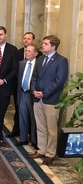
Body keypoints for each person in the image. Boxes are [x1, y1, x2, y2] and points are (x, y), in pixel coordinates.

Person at [30, 35, 68, 166]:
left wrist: (44, 93)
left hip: (51, 99)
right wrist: (34, 90)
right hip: (37, 98)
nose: (43, 45)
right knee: (40, 126)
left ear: (53, 46)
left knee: (51, 129)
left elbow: (59, 81)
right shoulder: (40, 59)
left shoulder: (61, 61)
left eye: (46, 44)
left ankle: (50, 154)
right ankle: (41, 149)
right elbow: (34, 76)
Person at [8, 32, 43, 139]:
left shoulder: (40, 57)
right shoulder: (17, 53)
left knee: (33, 116)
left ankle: (33, 138)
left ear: (33, 40)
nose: (26, 40)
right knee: (19, 112)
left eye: (28, 39)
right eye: (24, 38)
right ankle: (19, 133)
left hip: (33, 91)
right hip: (20, 89)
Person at [16, 44, 39, 147]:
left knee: (34, 119)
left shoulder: (38, 65)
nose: (27, 53)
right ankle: (23, 139)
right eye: (26, 51)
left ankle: (34, 141)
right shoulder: (21, 64)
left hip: (32, 94)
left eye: (29, 51)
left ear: (35, 53)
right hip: (22, 93)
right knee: (22, 117)